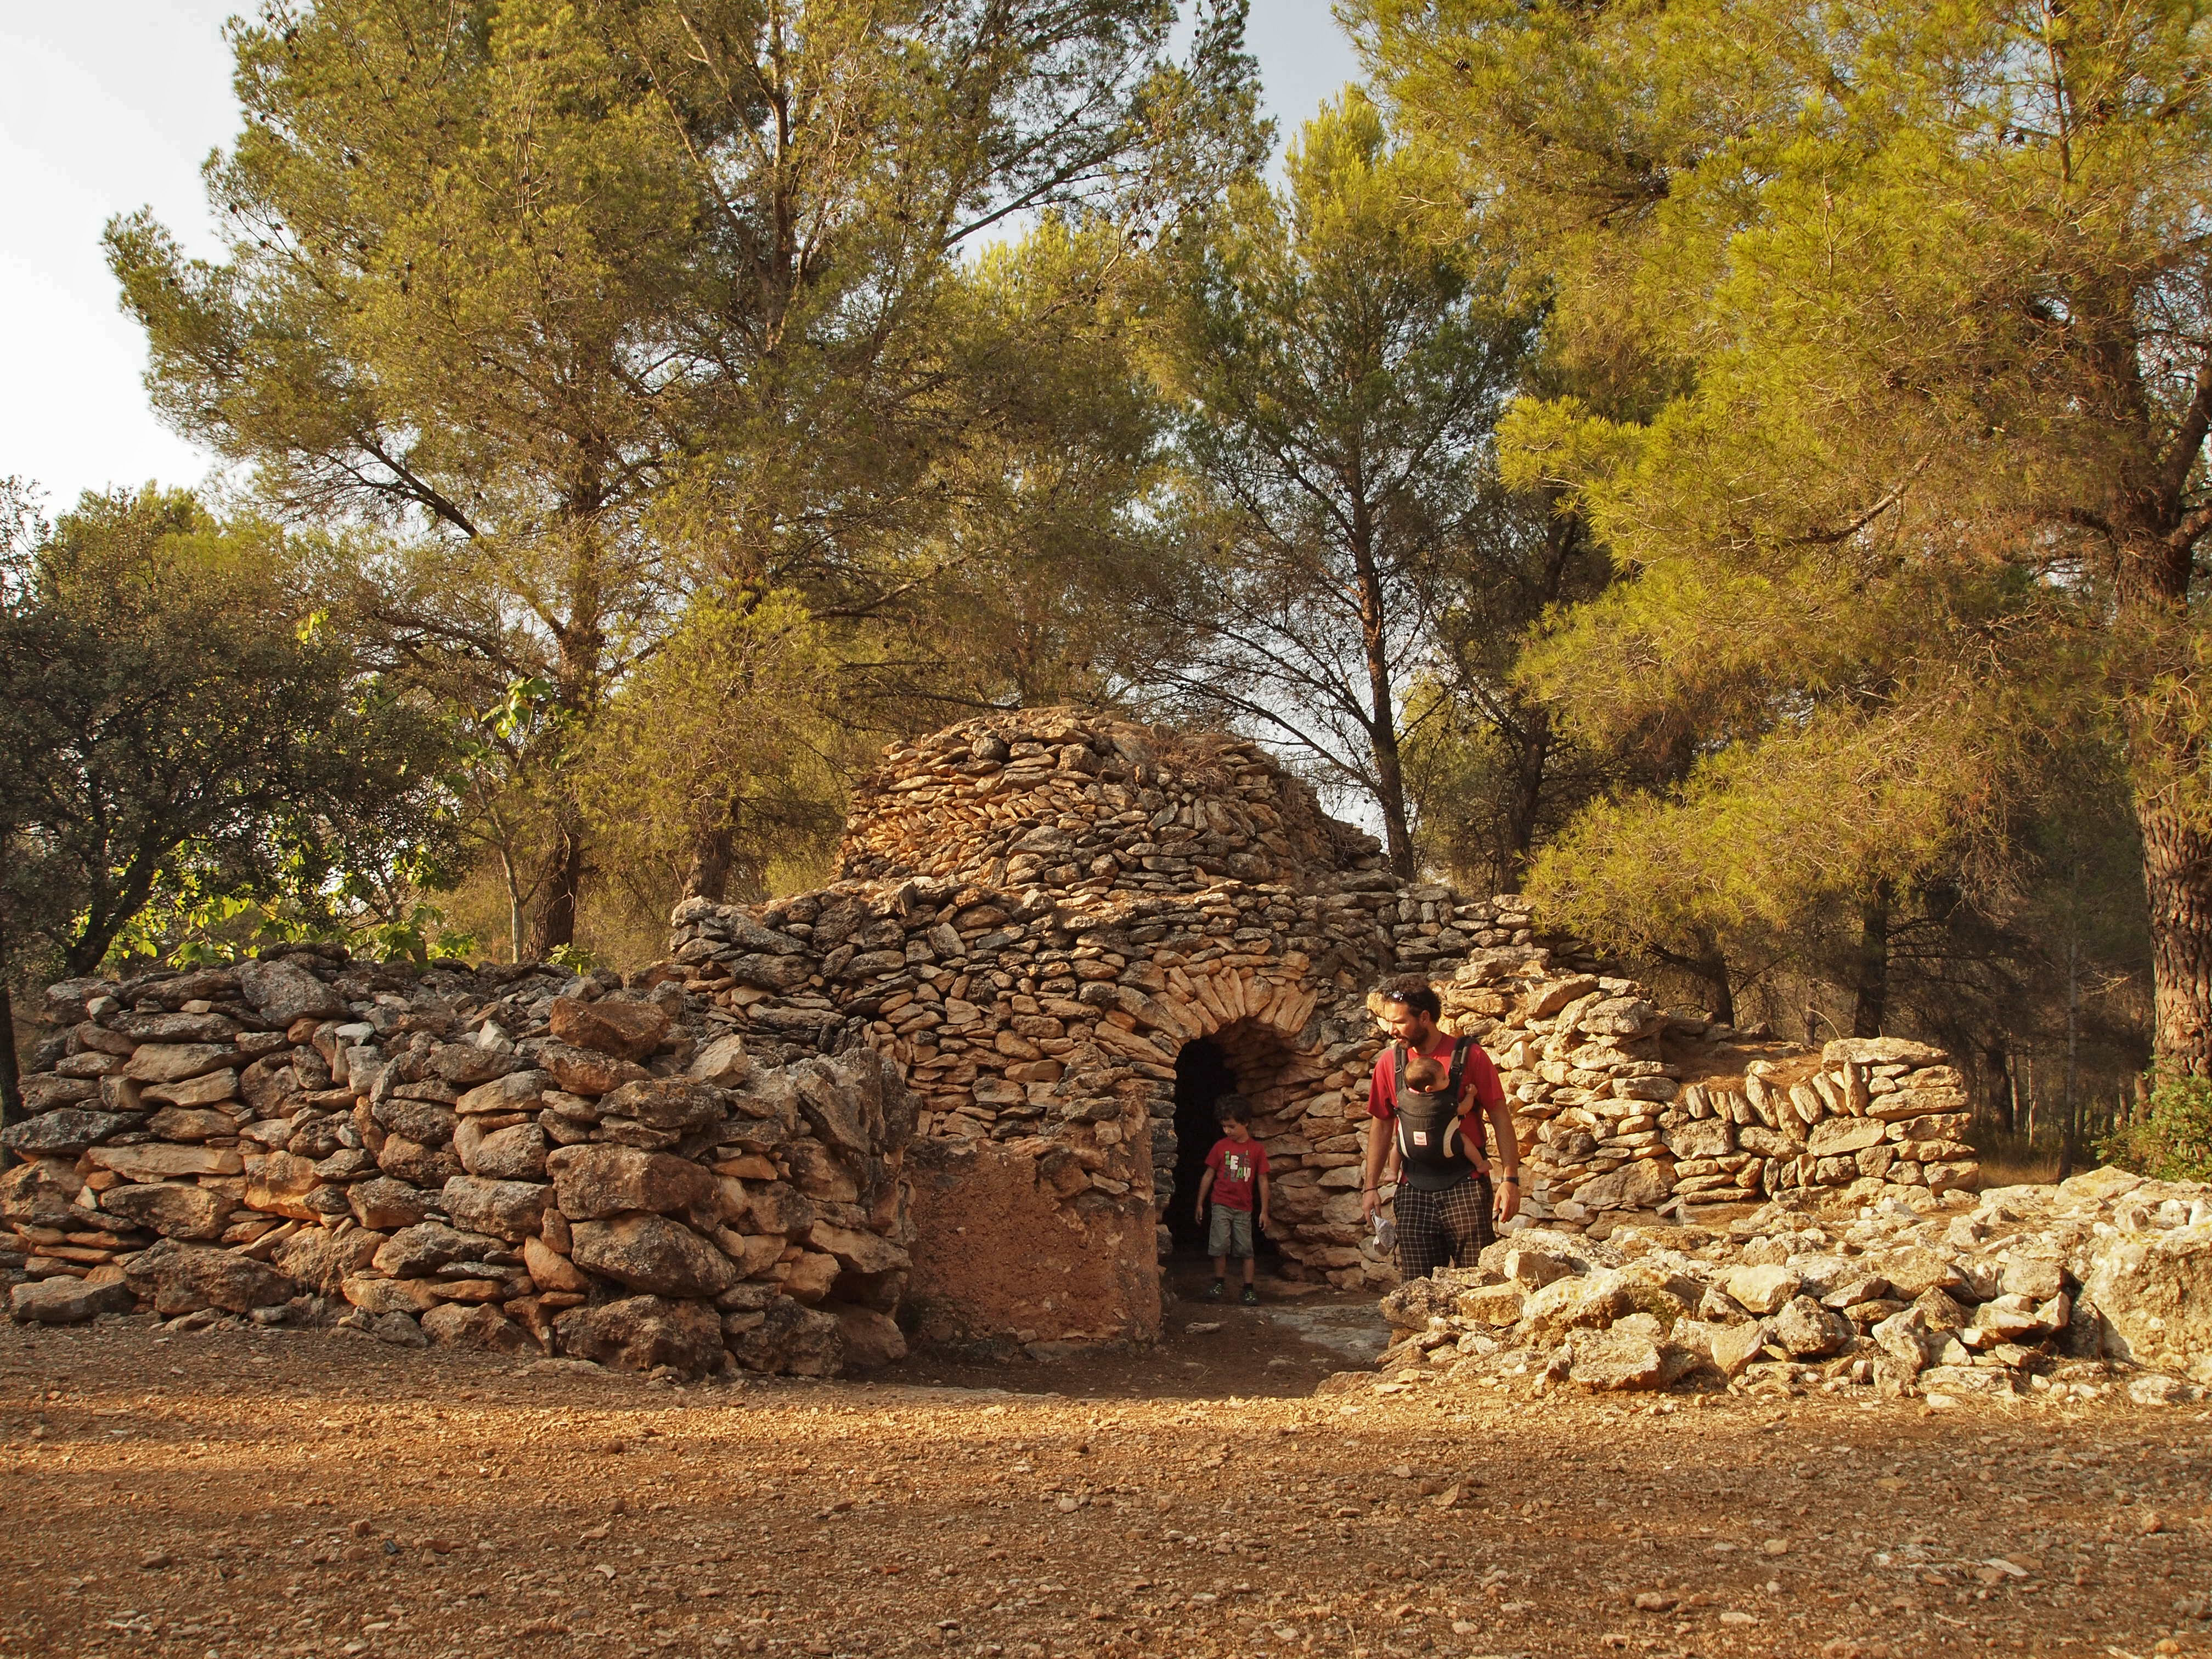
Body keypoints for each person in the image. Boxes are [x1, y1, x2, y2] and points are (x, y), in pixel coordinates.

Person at [1359, 979, 1521, 1278]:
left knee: (1476, 1285)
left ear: (1425, 1017)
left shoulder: (1469, 1056)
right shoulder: (1389, 1063)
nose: (1391, 1030)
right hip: (1412, 1191)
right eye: (1388, 1022)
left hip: (1467, 1187)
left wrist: (1510, 1179)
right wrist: (1371, 1187)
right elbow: (1382, 1125)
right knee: (1416, 1289)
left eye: (1399, 1022)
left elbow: (1499, 1114)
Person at [1194, 1095, 1270, 1304]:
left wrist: (1264, 1210)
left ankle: (1248, 1288)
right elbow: (1208, 1175)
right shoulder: (1220, 1147)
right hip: (1221, 1204)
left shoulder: (1257, 1150)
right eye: (1224, 1127)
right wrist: (1200, 1203)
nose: (1227, 1131)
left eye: (1232, 1126)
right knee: (1219, 1245)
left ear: (1245, 1122)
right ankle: (1219, 1282)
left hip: (1244, 1208)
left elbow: (1262, 1181)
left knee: (1246, 1249)